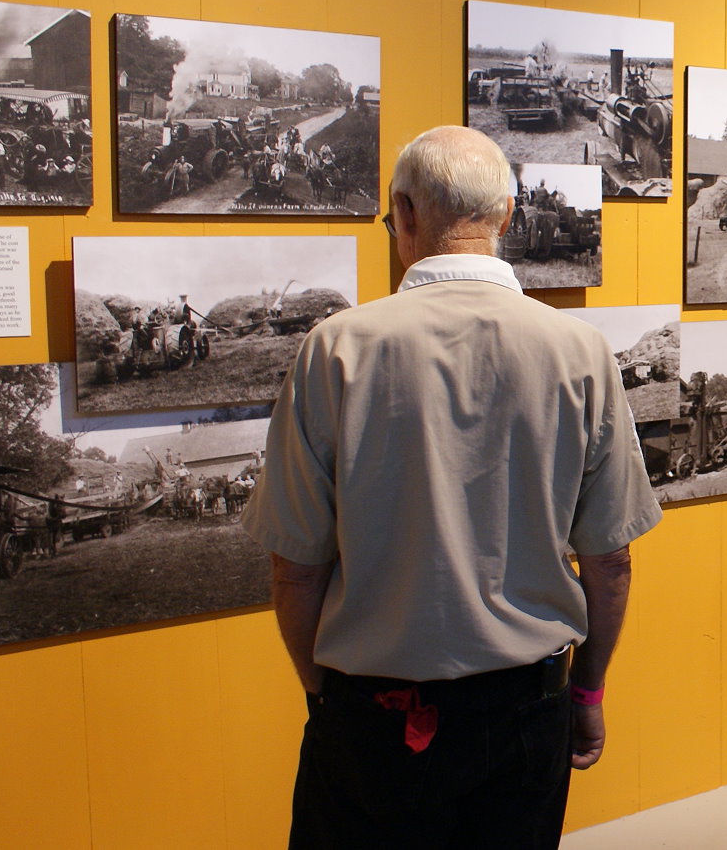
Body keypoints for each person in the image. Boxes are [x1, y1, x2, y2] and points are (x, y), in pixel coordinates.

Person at [241, 125, 660, 849]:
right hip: (526, 711)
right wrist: (587, 691)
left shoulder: (335, 349)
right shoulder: (581, 350)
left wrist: (325, 695)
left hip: (373, 716)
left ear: (404, 213)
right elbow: (610, 562)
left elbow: (296, 569)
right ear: (506, 215)